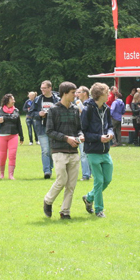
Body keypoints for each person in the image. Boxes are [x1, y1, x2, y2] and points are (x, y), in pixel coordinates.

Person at [43, 82, 84, 219]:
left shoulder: (74, 109)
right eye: (73, 92)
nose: (76, 95)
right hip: (59, 150)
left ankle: (65, 212)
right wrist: (66, 138)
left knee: (71, 184)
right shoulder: (53, 110)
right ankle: (48, 201)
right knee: (62, 180)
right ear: (65, 93)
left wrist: (80, 135)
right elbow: (49, 131)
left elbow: (79, 128)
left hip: (73, 151)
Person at [80, 82, 114, 219]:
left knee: (107, 179)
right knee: (99, 181)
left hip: (105, 151)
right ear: (100, 95)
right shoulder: (87, 110)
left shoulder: (107, 109)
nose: (109, 95)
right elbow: (83, 132)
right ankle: (99, 209)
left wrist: (110, 133)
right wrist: (98, 138)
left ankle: (89, 198)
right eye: (107, 93)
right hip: (92, 150)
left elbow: (110, 126)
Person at [29, 81, 60, 179]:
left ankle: (50, 167)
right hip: (42, 128)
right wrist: (39, 114)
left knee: (52, 150)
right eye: (41, 88)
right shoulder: (38, 100)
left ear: (50, 88)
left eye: (44, 88)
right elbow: (31, 113)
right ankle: (47, 171)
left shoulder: (57, 99)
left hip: (54, 128)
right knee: (45, 150)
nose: (42, 90)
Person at [0, 94, 24, 179]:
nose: (14, 101)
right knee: (2, 155)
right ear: (7, 101)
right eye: (12, 99)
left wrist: (21, 136)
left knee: (12, 155)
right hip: (1, 135)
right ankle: (1, 174)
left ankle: (11, 175)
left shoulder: (16, 110)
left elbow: (19, 124)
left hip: (13, 135)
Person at [76, 86, 92, 180]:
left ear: (84, 93)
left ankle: (88, 174)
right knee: (83, 153)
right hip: (79, 131)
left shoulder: (91, 104)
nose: (77, 94)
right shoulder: (76, 103)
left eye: (79, 92)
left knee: (88, 153)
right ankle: (86, 174)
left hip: (89, 131)